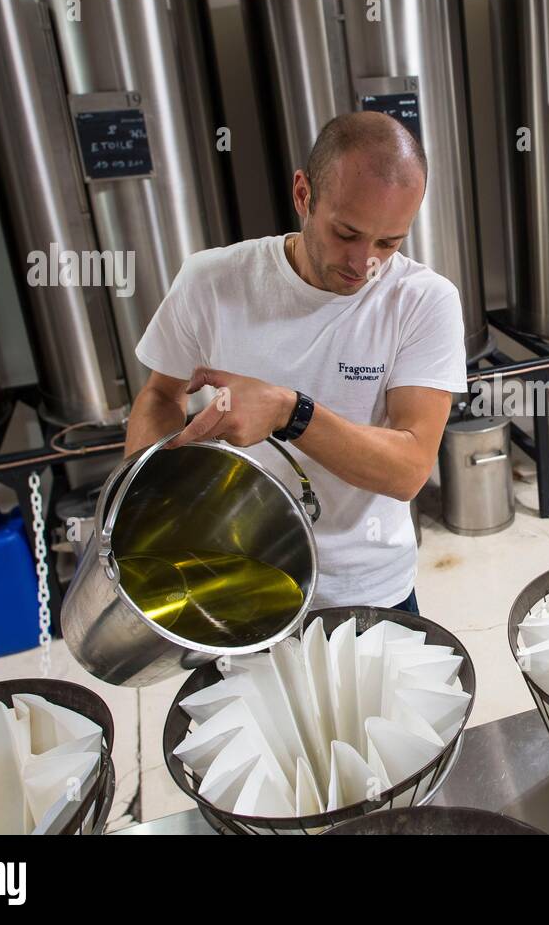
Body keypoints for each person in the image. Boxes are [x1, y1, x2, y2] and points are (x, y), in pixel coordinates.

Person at [123, 111, 467, 615]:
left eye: (388, 243)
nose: (363, 262)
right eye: (346, 233)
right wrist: (147, 501)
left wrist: (290, 412)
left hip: (363, 591)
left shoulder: (424, 301)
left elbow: (410, 469)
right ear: (303, 195)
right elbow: (160, 393)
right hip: (230, 577)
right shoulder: (212, 281)